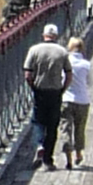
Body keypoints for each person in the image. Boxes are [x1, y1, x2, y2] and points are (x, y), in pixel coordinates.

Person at [23, 20, 70, 165]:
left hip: (40, 90)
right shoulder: (62, 52)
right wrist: (63, 88)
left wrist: (33, 86)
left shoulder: (34, 50)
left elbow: (27, 74)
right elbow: (69, 73)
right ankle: (48, 159)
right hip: (55, 92)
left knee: (37, 120)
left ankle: (39, 144)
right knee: (52, 125)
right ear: (55, 36)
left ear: (44, 35)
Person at [61, 33, 93, 166]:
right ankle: (78, 154)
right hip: (82, 100)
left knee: (65, 128)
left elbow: (61, 80)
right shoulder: (86, 64)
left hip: (66, 99)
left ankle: (68, 157)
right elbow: (90, 82)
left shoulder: (64, 62)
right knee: (79, 129)